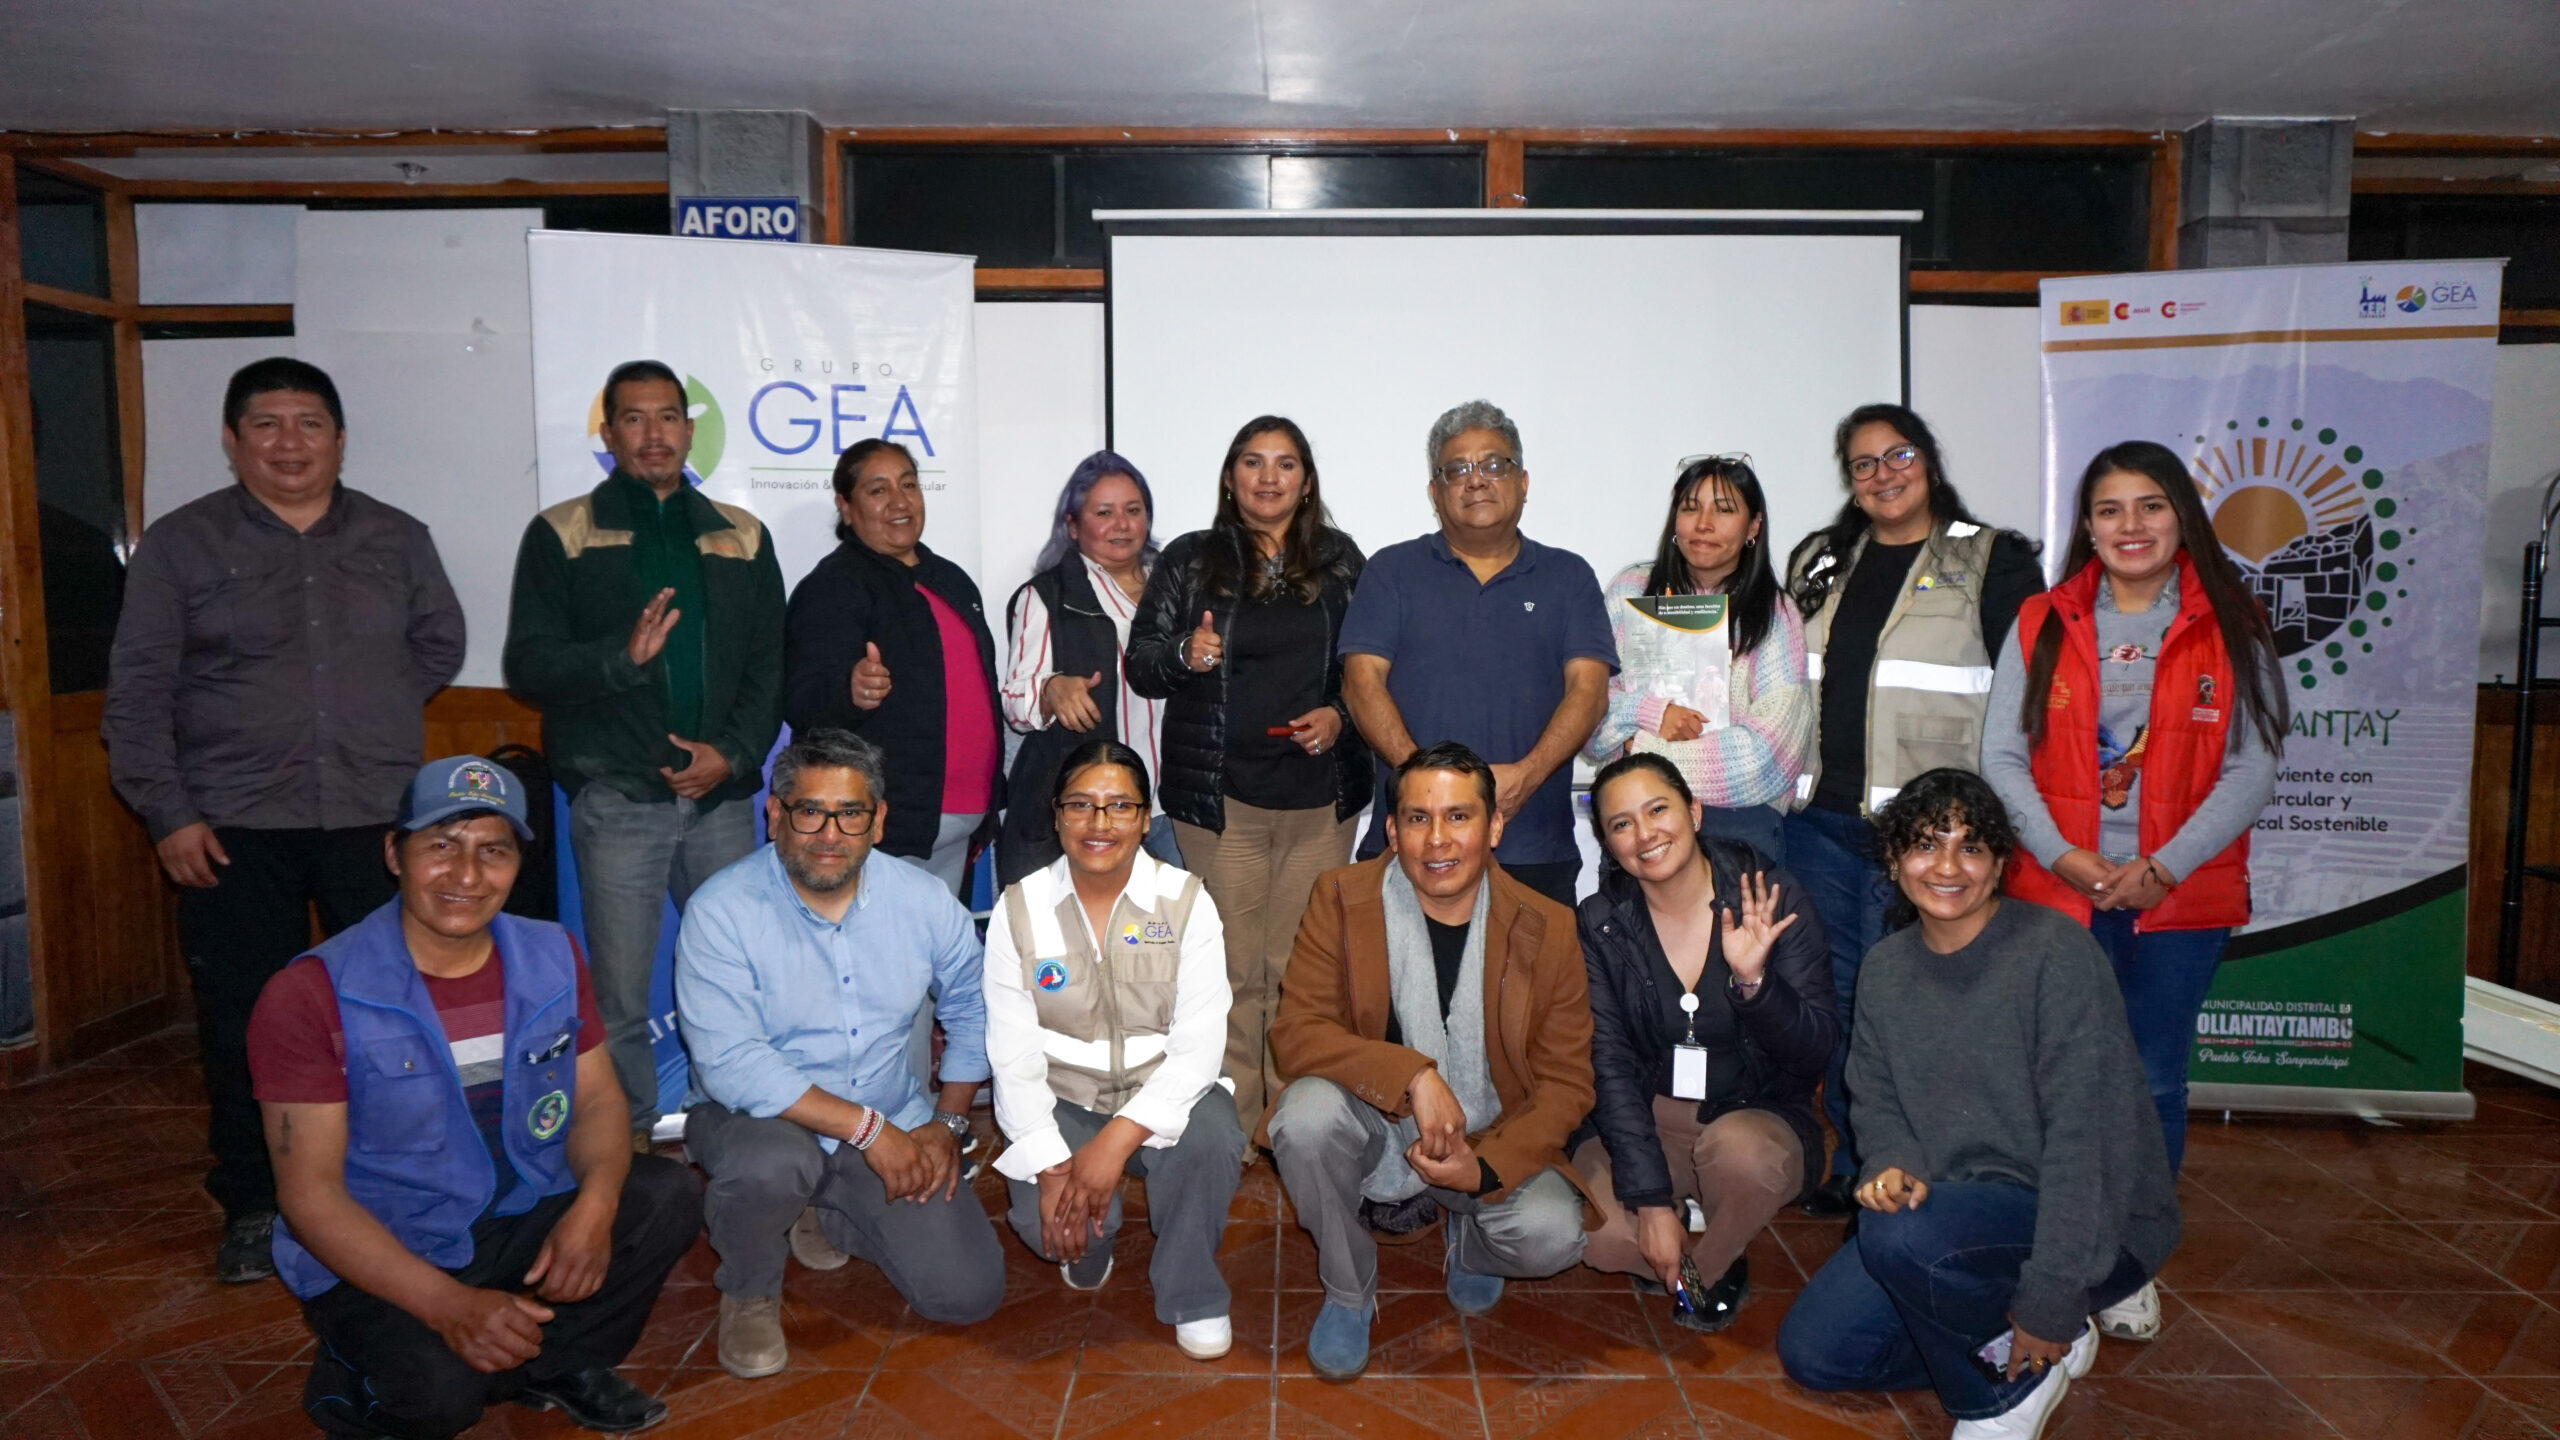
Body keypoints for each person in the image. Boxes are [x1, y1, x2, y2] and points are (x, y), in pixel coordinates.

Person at [107, 355, 466, 1282]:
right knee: (244, 1022)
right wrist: (168, 814)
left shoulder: (395, 537)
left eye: (309, 423)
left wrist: (366, 713)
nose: (290, 442)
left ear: (340, 440)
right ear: (233, 442)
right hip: (231, 827)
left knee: (391, 1011)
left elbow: (438, 644)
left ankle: (393, 1186)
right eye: (267, 424)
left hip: (372, 820)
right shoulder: (182, 547)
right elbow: (138, 693)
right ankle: (256, 1203)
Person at [248, 756, 700, 1438]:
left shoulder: (552, 953)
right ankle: (352, 1384)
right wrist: (446, 1305)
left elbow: (599, 1101)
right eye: (441, 846)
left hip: (514, 1213)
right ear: (393, 854)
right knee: (438, 1397)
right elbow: (309, 1195)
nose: (466, 876)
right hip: (392, 1245)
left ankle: (557, 1364)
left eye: (493, 851)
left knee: (664, 1196)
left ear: (517, 864)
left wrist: (596, 1206)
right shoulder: (309, 994)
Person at [1775, 769, 2179, 1440]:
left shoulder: (2054, 954)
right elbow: (1874, 1099)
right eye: (1926, 845)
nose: (1946, 867)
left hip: (2093, 1224)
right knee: (1819, 1354)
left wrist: (2051, 1299)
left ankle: (2005, 1386)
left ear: (1998, 866)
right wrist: (1893, 1161)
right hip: (1956, 1215)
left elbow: (2089, 1147)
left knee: (1898, 1235)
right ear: (1895, 859)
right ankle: (2015, 1335)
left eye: (1970, 847)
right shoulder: (1887, 967)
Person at [1981, 440, 2283, 1186]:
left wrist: (2163, 867)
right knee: (2057, 1079)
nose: (2132, 525)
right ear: (2087, 526)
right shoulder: (2040, 621)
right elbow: (2002, 759)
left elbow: (2254, 766)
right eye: (2110, 510)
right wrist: (2061, 856)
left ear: (2182, 516)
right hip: (2060, 893)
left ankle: (2132, 1261)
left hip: (2181, 896)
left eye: (2151, 505)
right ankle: (2058, 1240)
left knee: (2151, 1075)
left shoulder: (2234, 621)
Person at [503, 358, 786, 1144]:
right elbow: (526, 663)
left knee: (736, 982)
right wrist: (617, 660)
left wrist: (732, 754)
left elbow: (771, 665)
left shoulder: (741, 534)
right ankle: (626, 1139)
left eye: (668, 417)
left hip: (724, 803)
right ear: (609, 432)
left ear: (690, 430)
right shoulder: (562, 532)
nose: (654, 434)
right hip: (619, 799)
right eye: (634, 418)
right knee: (622, 993)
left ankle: (729, 1124)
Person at [1781, 403, 2044, 1217]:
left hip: (1930, 841)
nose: (1882, 474)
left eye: (1897, 455)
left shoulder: (1991, 559)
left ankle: (1932, 1168)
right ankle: (1862, 1164)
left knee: (1921, 1005)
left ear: (1928, 462)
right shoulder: (1822, 560)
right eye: (1862, 464)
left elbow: (2027, 699)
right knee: (1846, 999)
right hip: (1822, 826)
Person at [675, 729, 1002, 1381]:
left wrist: (948, 1123)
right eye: (809, 811)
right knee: (772, 1165)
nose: (830, 833)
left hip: (886, 1117)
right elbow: (733, 1063)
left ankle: (827, 1208)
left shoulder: (922, 900)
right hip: (758, 1122)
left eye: (850, 813)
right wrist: (871, 1131)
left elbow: (973, 1006)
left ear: (877, 821)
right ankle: (749, 1286)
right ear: (774, 816)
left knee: (967, 1293)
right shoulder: (721, 911)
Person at [1264, 742, 1597, 1380]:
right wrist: (1413, 1075)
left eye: (1459, 817)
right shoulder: (1340, 895)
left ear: (1494, 826)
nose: (1437, 840)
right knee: (1301, 1119)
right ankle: (1348, 1288)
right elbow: (1296, 1032)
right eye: (1418, 819)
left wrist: (1486, 1168)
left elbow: (1566, 1083)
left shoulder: (1549, 926)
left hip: (1491, 1129)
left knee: (1552, 1235)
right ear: (1392, 830)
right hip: (1374, 1116)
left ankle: (1470, 1243)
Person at [1126, 415, 1369, 1131]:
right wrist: (1185, 655)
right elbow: (1142, 665)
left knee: (1296, 972)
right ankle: (1235, 1120)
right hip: (1221, 799)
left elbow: (1374, 670)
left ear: (1306, 480)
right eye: (1253, 462)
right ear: (1231, 478)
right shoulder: (1192, 560)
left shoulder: (1342, 560)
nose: (1268, 477)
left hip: (1320, 802)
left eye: (1285, 463)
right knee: (1232, 972)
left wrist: (1340, 717)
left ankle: (1291, 1123)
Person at [983, 739, 1244, 1360]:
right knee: (1049, 1235)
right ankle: (1093, 1236)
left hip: (1166, 1091)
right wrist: (1052, 1167)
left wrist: (1116, 1140)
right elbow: (1012, 1057)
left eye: (1119, 807)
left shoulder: (1185, 903)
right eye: (1081, 805)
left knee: (1212, 1138)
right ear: (1056, 815)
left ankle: (1192, 1293)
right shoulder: (1018, 910)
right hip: (1064, 1097)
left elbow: (1200, 1044)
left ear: (1145, 818)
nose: (1099, 825)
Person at [1570, 753, 1834, 1334]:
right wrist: (1652, 1203)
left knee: (1745, 1160)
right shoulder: (1600, 921)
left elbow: (1814, 1051)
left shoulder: (1771, 897)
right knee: (1597, 1236)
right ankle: (1698, 1253)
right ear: (1609, 846)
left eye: (1658, 809)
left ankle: (1709, 1259)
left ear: (1693, 811)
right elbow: (1608, 1064)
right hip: (1644, 1117)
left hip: (1749, 1113)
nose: (1645, 835)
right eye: (1621, 824)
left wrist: (1755, 985)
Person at [1341, 400, 1616, 910]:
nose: (1476, 480)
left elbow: (1590, 691)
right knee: (1399, 992)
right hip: (1411, 847)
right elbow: (1361, 685)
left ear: (1524, 481)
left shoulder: (1568, 577)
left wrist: (1526, 777)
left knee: (1530, 992)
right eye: (1457, 469)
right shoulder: (1390, 572)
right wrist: (1431, 791)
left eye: (1494, 465)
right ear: (1434, 492)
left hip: (1532, 846)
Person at [783, 437, 1003, 899]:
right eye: (878, 490)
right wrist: (851, 691)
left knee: (933, 963)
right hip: (889, 823)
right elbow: (801, 700)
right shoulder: (832, 587)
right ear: (846, 506)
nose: (899, 501)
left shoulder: (950, 578)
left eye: (908, 484)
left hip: (962, 820)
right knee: (879, 963)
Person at [1588, 454, 1814, 864]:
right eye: (1690, 508)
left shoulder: (1775, 613)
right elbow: (1591, 714)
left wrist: (1638, 745)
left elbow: (1771, 757)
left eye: (1724, 510)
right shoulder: (1630, 592)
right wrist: (1653, 712)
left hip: (1738, 829)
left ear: (1754, 526)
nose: (1703, 524)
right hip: (1637, 828)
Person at [998, 450, 1178, 887]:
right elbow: (1016, 703)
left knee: (1169, 942)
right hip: (1091, 814)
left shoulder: (1179, 587)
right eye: (1104, 512)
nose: (1122, 524)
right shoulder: (1046, 597)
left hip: (1172, 808)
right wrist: (1051, 688)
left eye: (1133, 511)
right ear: (1073, 526)